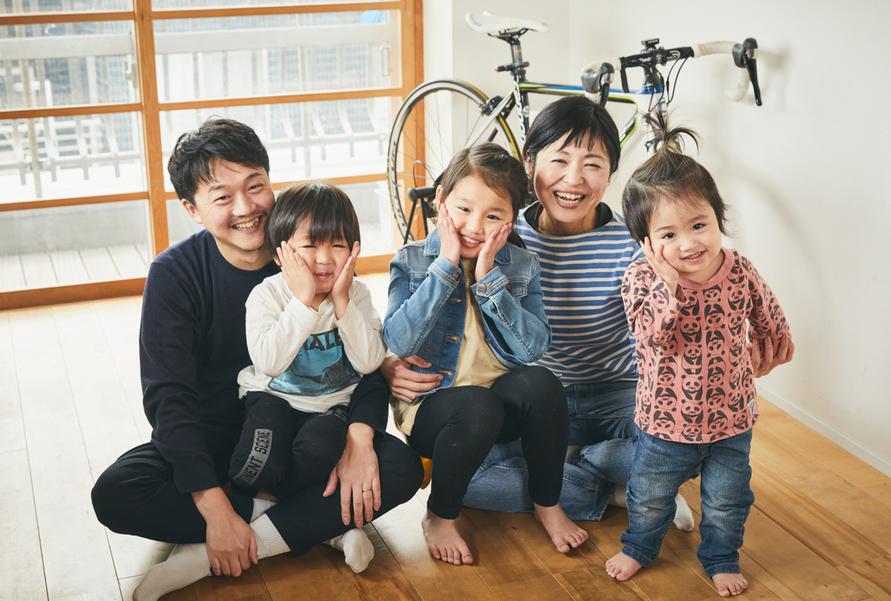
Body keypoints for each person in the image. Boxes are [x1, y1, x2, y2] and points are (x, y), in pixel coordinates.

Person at [89, 119, 422, 601]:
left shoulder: (313, 251)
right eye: (222, 197)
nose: (246, 209)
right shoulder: (175, 275)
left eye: (255, 186)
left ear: (270, 182)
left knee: (401, 468)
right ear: (191, 209)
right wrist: (213, 506)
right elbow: (167, 399)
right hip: (217, 436)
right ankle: (310, 525)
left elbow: (357, 366)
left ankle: (217, 551)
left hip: (311, 429)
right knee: (117, 493)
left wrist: (360, 438)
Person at [604, 120, 793, 597]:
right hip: (664, 422)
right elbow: (650, 334)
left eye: (698, 225)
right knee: (649, 496)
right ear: (645, 242)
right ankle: (640, 546)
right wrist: (667, 283)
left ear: (717, 217)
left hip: (732, 418)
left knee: (728, 500)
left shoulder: (739, 269)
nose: (688, 243)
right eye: (667, 234)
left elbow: (766, 310)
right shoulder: (641, 279)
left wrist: (774, 338)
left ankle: (721, 556)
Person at [383, 143, 587, 566]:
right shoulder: (412, 260)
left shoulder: (521, 265)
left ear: (512, 219)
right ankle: (440, 515)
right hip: (435, 409)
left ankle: (547, 503)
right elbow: (398, 341)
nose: (475, 227)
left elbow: (533, 349)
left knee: (543, 384)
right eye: (463, 209)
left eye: (493, 216)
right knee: (477, 406)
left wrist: (489, 279)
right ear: (440, 201)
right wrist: (445, 267)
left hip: (499, 403)